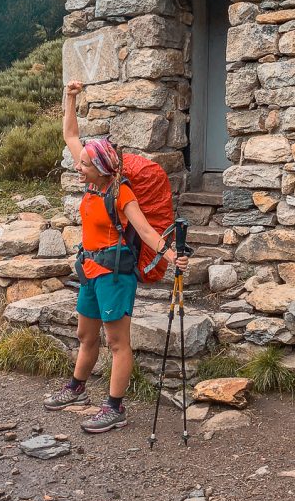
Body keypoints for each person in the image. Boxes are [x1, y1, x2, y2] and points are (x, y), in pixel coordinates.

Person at [44, 79, 188, 433]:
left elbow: (145, 231)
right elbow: (70, 134)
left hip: (114, 274)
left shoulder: (121, 193)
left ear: (101, 168)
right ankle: (77, 388)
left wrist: (171, 256)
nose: (78, 167)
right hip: (89, 269)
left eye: (84, 165)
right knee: (85, 335)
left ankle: (114, 408)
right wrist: (70, 98)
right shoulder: (93, 185)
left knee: (117, 342)